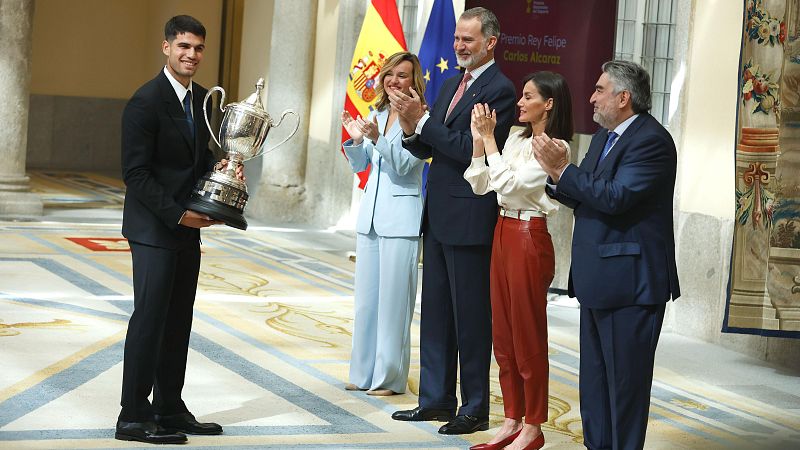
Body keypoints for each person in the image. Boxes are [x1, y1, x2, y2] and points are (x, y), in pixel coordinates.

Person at [534, 60, 680, 450]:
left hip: (632, 283)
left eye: (599, 90)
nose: (591, 97)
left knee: (625, 388)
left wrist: (565, 169)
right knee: (595, 384)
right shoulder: (604, 137)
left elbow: (615, 198)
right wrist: (554, 176)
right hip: (598, 278)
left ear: (624, 97)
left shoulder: (652, 141)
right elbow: (586, 194)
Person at [388, 7, 517, 435]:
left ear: (490, 43)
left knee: (471, 316)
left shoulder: (500, 90)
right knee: (438, 312)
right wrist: (410, 128)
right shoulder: (449, 85)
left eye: (468, 40)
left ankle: (475, 407)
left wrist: (422, 121)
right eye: (457, 39)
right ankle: (436, 399)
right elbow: (432, 147)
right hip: (439, 212)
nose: (458, 46)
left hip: (471, 215)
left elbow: (470, 148)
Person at [117, 15, 241, 445]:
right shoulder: (145, 101)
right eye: (184, 46)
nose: (192, 55)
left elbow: (195, 161)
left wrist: (218, 172)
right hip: (154, 229)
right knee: (149, 321)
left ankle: (169, 408)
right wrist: (177, 215)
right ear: (166, 47)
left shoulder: (204, 100)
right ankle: (132, 415)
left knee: (177, 322)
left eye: (199, 48)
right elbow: (136, 173)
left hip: (188, 229)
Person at [464, 71, 574, 450]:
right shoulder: (513, 137)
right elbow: (481, 183)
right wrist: (481, 143)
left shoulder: (555, 147)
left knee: (528, 335)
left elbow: (509, 185)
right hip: (501, 230)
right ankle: (512, 418)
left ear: (549, 103)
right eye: (521, 96)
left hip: (530, 236)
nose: (520, 102)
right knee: (504, 335)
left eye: (528, 97)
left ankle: (535, 424)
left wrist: (490, 142)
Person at [340, 51, 426, 396]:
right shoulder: (377, 113)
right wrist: (356, 140)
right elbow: (362, 167)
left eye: (402, 75)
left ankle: (389, 378)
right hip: (371, 219)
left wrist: (376, 139)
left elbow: (405, 166)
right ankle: (362, 373)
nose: (394, 80)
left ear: (414, 81)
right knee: (367, 302)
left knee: (394, 305)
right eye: (390, 74)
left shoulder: (421, 118)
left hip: (401, 220)